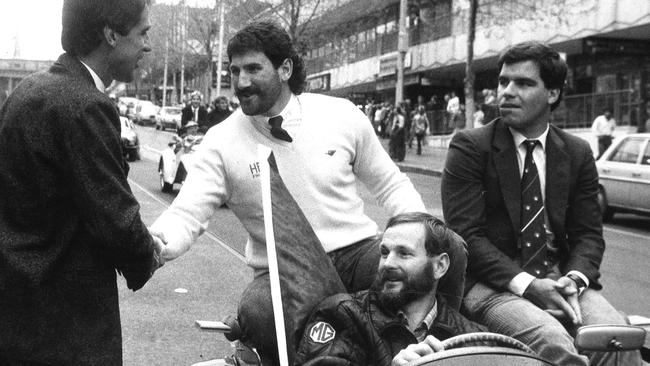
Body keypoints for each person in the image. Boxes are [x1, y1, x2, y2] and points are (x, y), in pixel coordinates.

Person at [149, 21, 467, 364]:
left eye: (254, 69)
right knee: (258, 311)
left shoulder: (340, 114)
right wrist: (158, 241)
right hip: (282, 267)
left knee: (452, 249)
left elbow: (391, 184)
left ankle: (439, 351)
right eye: (235, 70)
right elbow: (187, 213)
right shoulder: (220, 141)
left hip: (357, 254)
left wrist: (424, 236)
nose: (241, 82)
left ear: (285, 68)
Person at [441, 41, 641, 366]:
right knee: (554, 343)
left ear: (552, 94)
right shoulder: (470, 147)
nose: (506, 91)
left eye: (523, 83)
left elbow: (588, 235)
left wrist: (573, 279)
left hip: (559, 278)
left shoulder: (576, 152)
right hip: (491, 284)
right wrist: (530, 285)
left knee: (616, 338)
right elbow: (466, 236)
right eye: (503, 81)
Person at [0, 0, 164, 364]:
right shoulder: (87, 106)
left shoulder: (27, 92)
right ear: (110, 34)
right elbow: (115, 218)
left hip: (16, 314)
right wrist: (148, 254)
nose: (147, 46)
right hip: (68, 328)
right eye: (143, 33)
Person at [295, 213, 485, 366]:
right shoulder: (343, 315)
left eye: (404, 253)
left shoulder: (471, 337)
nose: (388, 263)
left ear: (439, 266)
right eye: (384, 253)